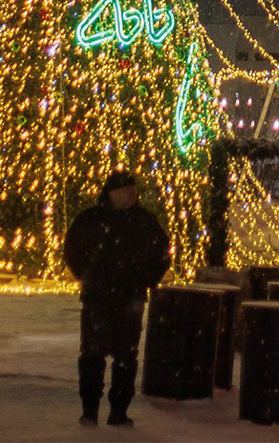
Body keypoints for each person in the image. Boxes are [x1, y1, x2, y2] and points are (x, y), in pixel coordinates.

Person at [62, 169, 171, 427]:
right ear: (112, 193)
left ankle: (118, 411)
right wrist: (87, 276)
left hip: (128, 297)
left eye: (132, 190)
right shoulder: (93, 219)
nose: (131, 195)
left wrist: (146, 278)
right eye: (125, 191)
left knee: (125, 356)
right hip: (99, 297)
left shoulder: (142, 221)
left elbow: (162, 253)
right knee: (92, 355)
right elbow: (73, 250)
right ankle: (90, 410)